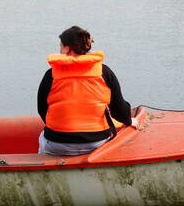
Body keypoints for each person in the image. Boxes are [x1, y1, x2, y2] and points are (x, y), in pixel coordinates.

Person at [37, 25, 132, 156]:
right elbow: (119, 110)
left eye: (61, 46)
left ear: (67, 48)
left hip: (57, 143)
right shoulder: (104, 72)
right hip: (96, 143)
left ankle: (44, 164)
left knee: (42, 137)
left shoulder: (51, 74)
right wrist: (129, 120)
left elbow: (42, 109)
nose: (59, 50)